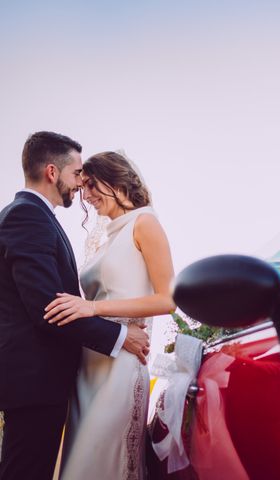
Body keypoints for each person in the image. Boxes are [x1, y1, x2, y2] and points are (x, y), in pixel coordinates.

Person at [0, 132, 149, 480]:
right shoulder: (27, 216)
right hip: (34, 382)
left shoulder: (35, 216)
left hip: (42, 381)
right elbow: (48, 309)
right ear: (52, 172)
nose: (80, 183)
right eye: (76, 173)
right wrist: (120, 336)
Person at [41, 150, 176, 479]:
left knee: (100, 466)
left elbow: (168, 299)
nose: (85, 194)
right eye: (82, 185)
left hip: (122, 364)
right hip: (89, 365)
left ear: (114, 179)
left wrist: (93, 307)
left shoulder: (145, 223)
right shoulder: (104, 237)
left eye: (91, 185)